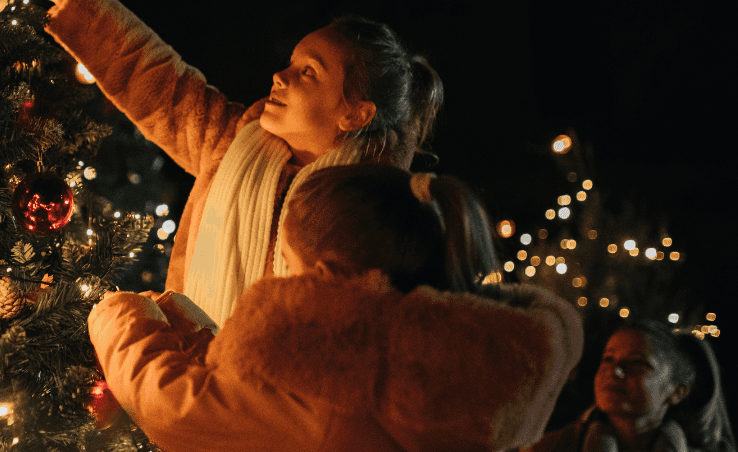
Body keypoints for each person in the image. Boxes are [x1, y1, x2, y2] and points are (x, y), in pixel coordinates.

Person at [12, 0, 443, 324]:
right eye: (291, 63)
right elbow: (158, 80)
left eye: (307, 73)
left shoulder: (381, 221)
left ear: (354, 113)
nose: (279, 76)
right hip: (201, 385)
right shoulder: (231, 143)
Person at [87, 164, 584, 452]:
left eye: (289, 262)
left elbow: (172, 406)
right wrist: (191, 327)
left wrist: (121, 313)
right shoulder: (484, 358)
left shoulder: (335, 384)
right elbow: (256, 401)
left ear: (328, 276)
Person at [526, 320, 735, 452]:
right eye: (608, 359)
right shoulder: (549, 447)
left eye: (638, 363)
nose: (615, 371)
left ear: (677, 392)